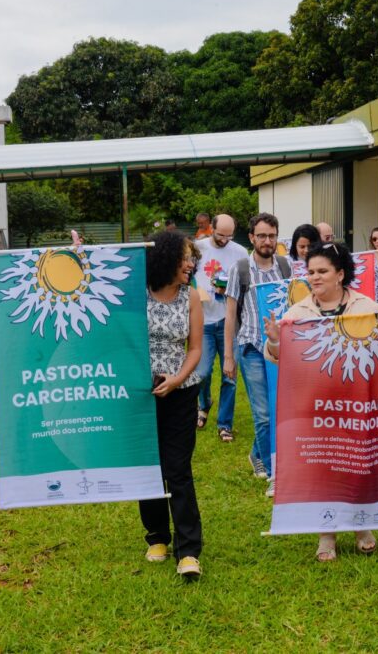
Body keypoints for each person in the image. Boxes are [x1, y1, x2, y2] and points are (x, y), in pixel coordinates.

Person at [264, 242, 378, 562]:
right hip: (315, 405)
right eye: (310, 272)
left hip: (357, 403)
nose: (314, 277)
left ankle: (361, 525)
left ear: (340, 274)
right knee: (324, 467)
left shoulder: (366, 306)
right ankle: (326, 535)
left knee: (356, 463)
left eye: (322, 271)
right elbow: (280, 359)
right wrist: (276, 339)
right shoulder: (298, 312)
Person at [140, 230, 205, 578]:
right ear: (164, 258)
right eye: (184, 257)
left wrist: (177, 379)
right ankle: (157, 537)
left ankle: (189, 549)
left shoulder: (190, 296)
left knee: (177, 468)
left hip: (181, 391)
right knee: (148, 466)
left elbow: (195, 348)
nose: (191, 263)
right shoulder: (137, 291)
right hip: (141, 393)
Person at [223, 213, 291, 496]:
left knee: (282, 410)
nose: (267, 241)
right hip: (251, 348)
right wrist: (228, 356)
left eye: (271, 235)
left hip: (282, 350)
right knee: (263, 413)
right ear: (251, 238)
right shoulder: (240, 270)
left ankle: (257, 453)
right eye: (261, 235)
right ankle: (275, 473)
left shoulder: (286, 267)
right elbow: (229, 316)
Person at [194, 214, 248, 435]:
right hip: (203, 320)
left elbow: (246, 286)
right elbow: (186, 276)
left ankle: (224, 425)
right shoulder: (198, 248)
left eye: (229, 236)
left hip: (228, 320)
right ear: (210, 229)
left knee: (230, 376)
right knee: (203, 372)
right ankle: (204, 404)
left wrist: (231, 292)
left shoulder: (241, 253)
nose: (225, 240)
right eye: (220, 235)